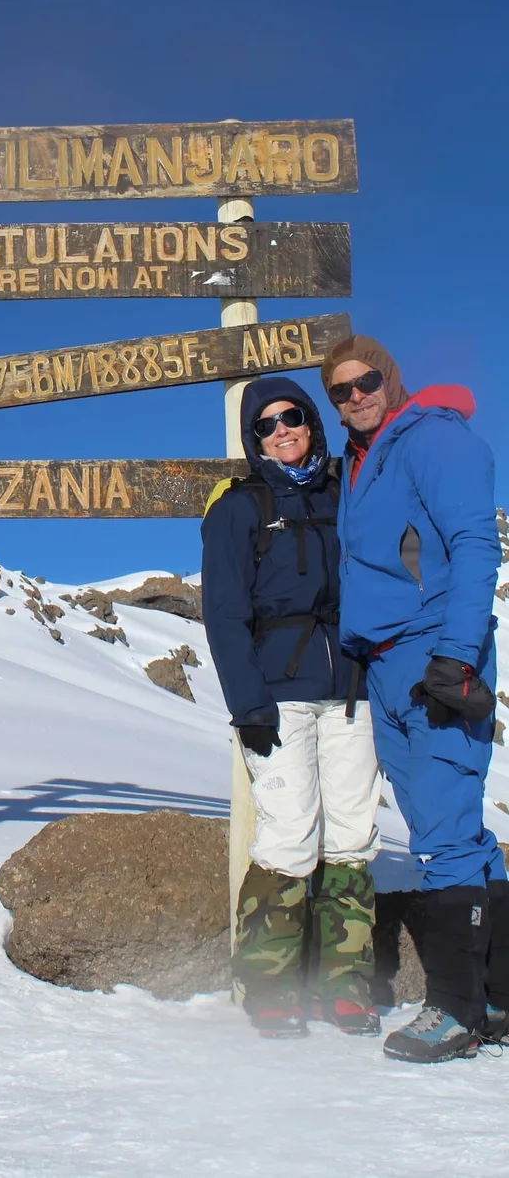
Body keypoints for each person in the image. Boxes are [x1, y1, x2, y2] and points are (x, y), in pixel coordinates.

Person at [323, 335, 507, 1063]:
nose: (356, 396)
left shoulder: (430, 438)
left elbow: (476, 544)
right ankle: (496, 996)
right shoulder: (359, 461)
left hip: (434, 656)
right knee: (458, 831)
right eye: (341, 391)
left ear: (390, 379)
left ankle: (454, 1010)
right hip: (386, 666)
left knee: (443, 834)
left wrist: (455, 657)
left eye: (366, 381)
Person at [202, 375, 382, 1039]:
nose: (282, 431)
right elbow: (224, 613)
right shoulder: (239, 507)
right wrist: (248, 705)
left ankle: (346, 985)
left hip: (351, 693)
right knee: (288, 832)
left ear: (312, 421)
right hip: (279, 698)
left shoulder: (344, 494)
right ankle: (270, 987)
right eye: (266, 424)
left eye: (293, 417)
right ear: (254, 439)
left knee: (353, 833)